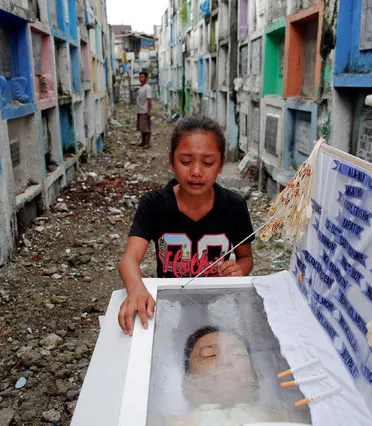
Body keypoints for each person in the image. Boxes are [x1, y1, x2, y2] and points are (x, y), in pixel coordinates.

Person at [118, 115, 255, 336]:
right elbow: (129, 260)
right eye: (186, 161)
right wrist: (135, 290)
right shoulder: (153, 205)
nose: (197, 172)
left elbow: (246, 258)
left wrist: (239, 270)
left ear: (220, 164)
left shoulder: (235, 207)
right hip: (170, 305)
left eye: (208, 162)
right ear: (171, 162)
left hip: (218, 304)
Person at [158, 326, 310, 426]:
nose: (225, 361)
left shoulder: (299, 418)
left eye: (238, 354)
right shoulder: (160, 422)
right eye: (208, 355)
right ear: (187, 383)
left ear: (256, 377)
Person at [136, 70, 153, 149]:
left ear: (146, 78)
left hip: (145, 111)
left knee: (146, 128)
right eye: (140, 77)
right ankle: (143, 142)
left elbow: (149, 99)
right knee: (142, 128)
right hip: (140, 111)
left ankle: (148, 143)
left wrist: (149, 111)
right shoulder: (141, 88)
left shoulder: (147, 88)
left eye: (142, 77)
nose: (140, 78)